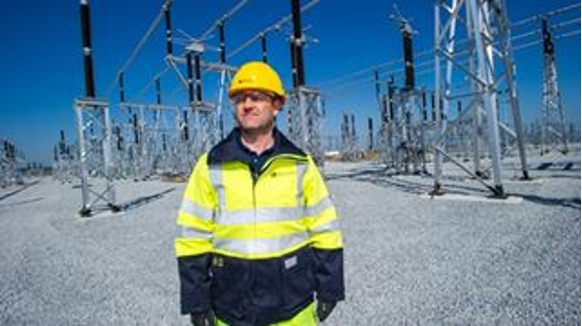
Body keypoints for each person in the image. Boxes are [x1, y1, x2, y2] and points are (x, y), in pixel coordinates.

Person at [175, 61, 344, 326]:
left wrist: (330, 288)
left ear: (277, 105)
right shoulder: (210, 165)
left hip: (292, 305)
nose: (247, 104)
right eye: (240, 98)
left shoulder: (300, 163)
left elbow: (325, 229)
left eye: (257, 97)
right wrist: (197, 301)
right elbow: (192, 237)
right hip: (231, 306)